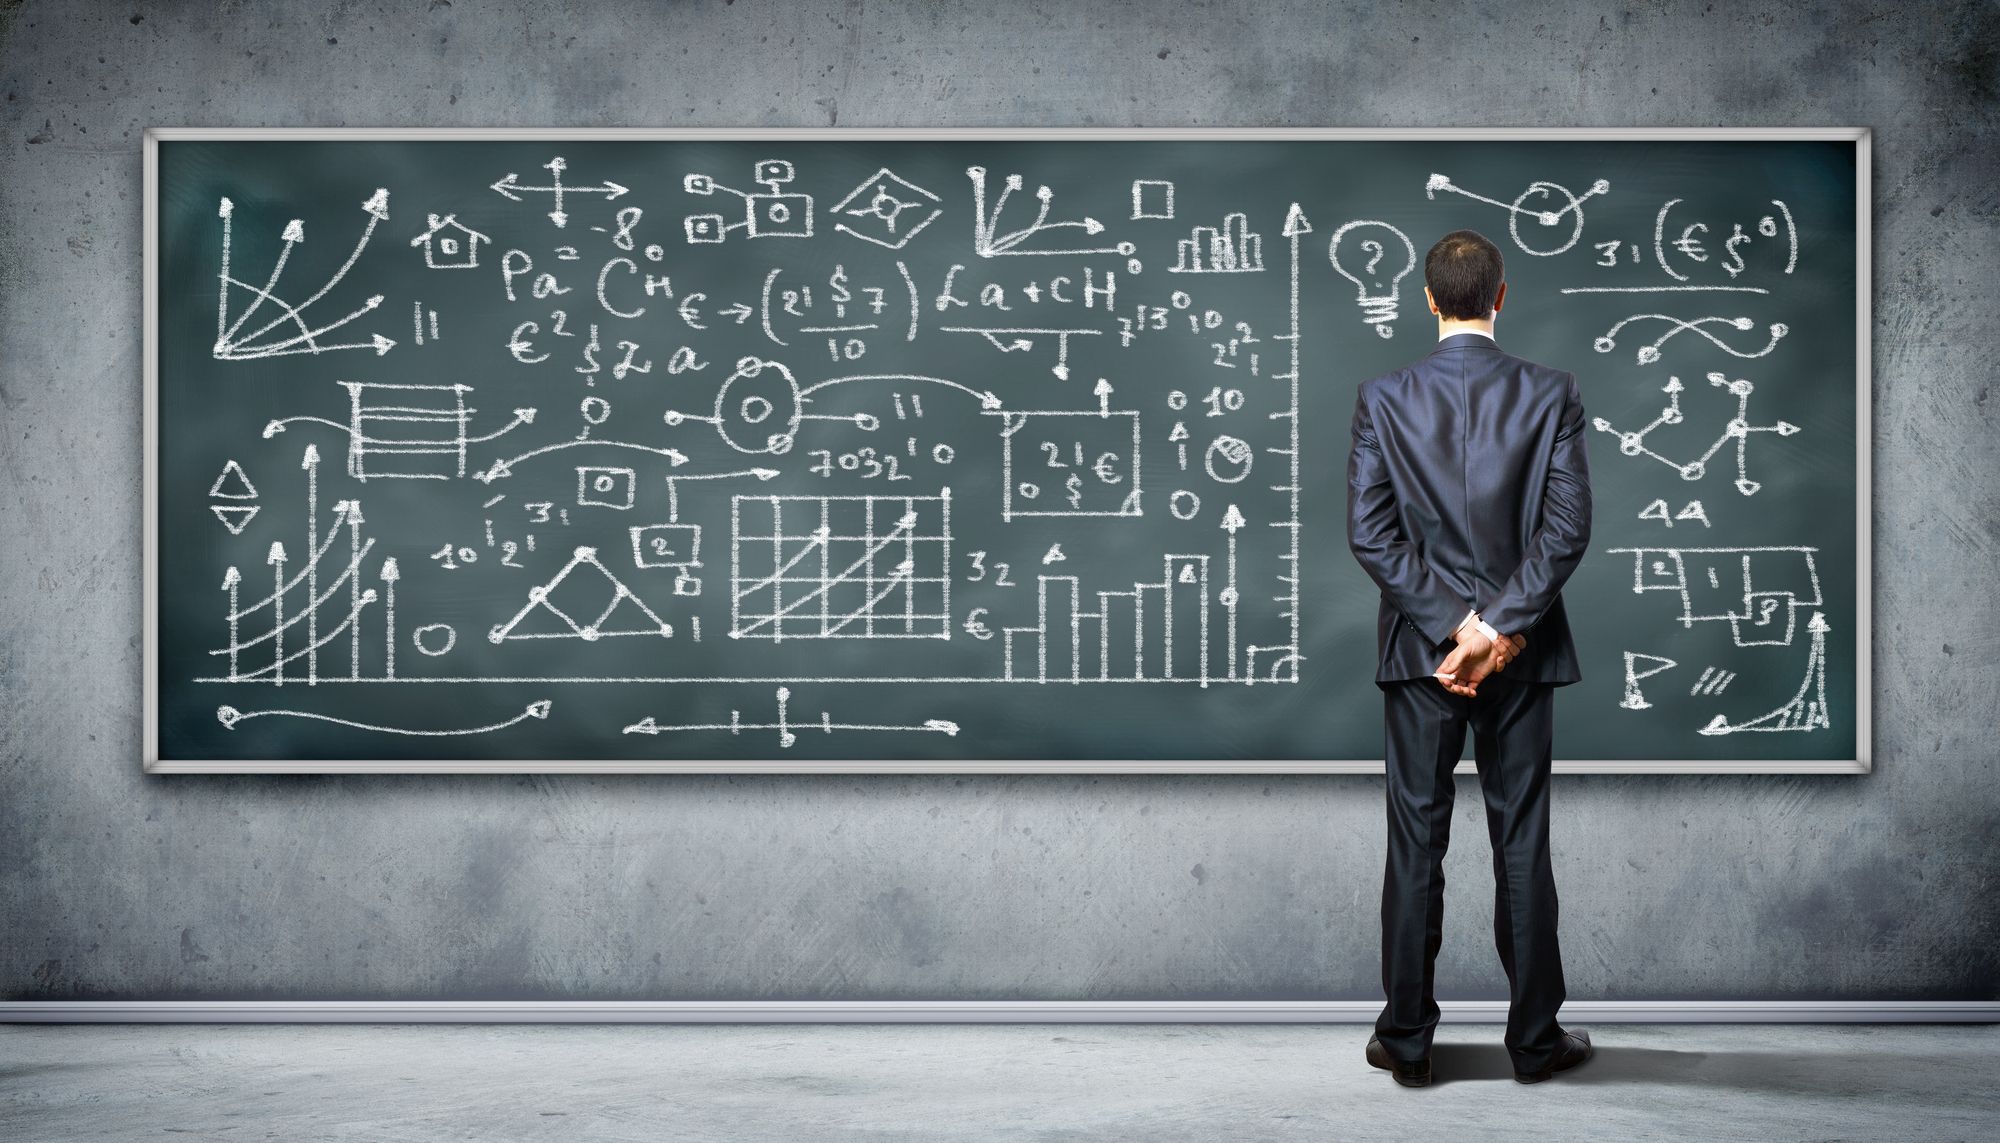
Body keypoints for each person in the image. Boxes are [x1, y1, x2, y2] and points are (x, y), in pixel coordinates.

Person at [1345, 229, 1595, 1087]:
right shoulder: (1551, 393)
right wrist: (1498, 628)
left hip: (1421, 655)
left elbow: (1370, 533)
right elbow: (1566, 531)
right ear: (1501, 294)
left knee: (1416, 839)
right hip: (1521, 655)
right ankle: (1535, 1043)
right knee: (1520, 837)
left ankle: (1407, 1043)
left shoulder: (1383, 396)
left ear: (1427, 298)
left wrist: (1455, 627)